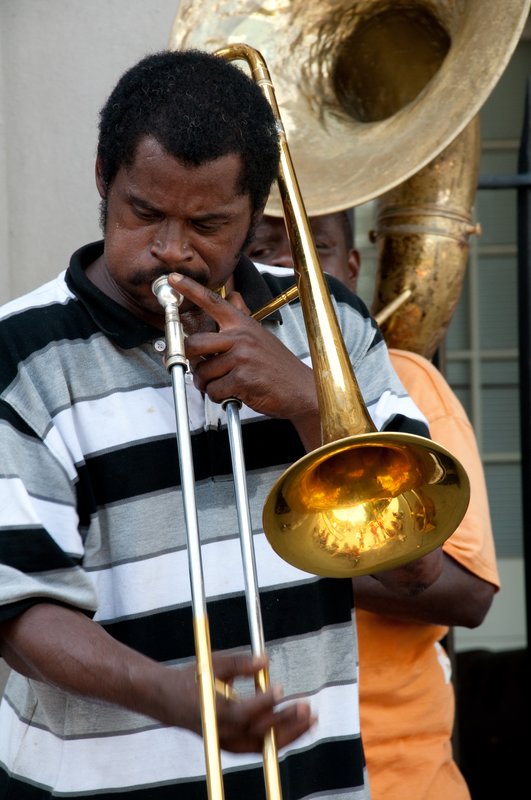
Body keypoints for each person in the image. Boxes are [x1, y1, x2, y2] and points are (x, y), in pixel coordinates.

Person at [0, 50, 444, 800]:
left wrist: (309, 400)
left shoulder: (329, 323)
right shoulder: (21, 353)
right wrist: (178, 699)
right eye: (143, 212)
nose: (170, 250)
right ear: (103, 175)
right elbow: (19, 610)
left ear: (255, 211)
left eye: (208, 224)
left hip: (315, 782)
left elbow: (414, 566)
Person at [245, 210, 501, 800]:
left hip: (398, 770)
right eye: (263, 249)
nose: (288, 270)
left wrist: (284, 553)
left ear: (352, 270)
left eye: (316, 251)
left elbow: (470, 592)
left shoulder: (409, 380)